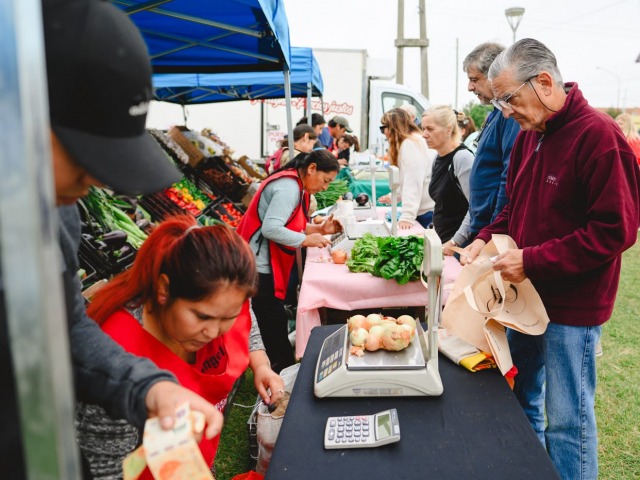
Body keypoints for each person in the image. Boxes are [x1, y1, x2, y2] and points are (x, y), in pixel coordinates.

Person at [0, 0, 223, 475]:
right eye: (86, 157)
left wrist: (148, 387)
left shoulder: (56, 212)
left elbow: (64, 326)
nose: (95, 181)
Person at [462, 38, 640, 479]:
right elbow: (512, 203)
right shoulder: (530, 134)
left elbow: (615, 231)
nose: (503, 111)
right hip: (523, 298)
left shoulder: (599, 136)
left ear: (543, 82)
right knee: (520, 400)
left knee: (567, 422)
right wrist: (484, 238)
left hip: (571, 311)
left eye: (508, 98)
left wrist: (533, 261)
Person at [76, 216, 284, 478]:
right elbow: (106, 468)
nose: (212, 332)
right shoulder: (113, 354)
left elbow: (246, 317)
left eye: (226, 318)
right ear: (164, 289)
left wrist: (261, 364)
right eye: (201, 317)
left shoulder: (224, 296)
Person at [236, 150, 342, 372]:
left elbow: (290, 224)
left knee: (272, 318)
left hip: (259, 261)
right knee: (271, 320)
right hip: (257, 265)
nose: (325, 188)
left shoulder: (296, 184)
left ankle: (277, 366)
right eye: (325, 181)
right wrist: (305, 240)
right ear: (312, 168)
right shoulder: (289, 188)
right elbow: (272, 228)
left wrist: (319, 229)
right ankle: (278, 372)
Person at [463, 42, 521, 244]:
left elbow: (508, 176)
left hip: (492, 230)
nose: (470, 87)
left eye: (474, 80)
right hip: (484, 227)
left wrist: (494, 230)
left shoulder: (510, 115)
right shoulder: (496, 113)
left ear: (493, 74)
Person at [421, 105, 474, 250]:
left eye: (430, 129)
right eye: (423, 128)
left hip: (460, 248)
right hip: (442, 243)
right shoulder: (437, 157)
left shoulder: (462, 158)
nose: (424, 134)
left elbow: (475, 208)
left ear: (449, 129)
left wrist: (454, 242)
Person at [377, 108, 436, 229]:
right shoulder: (412, 141)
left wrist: (407, 216)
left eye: (383, 128)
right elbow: (408, 179)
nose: (384, 133)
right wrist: (394, 196)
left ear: (393, 127)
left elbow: (413, 182)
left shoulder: (410, 144)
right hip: (427, 209)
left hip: (427, 213)